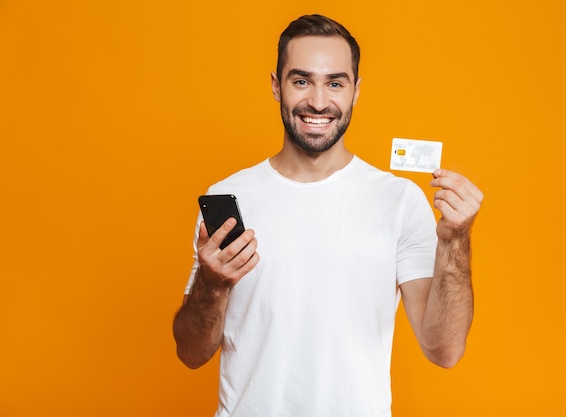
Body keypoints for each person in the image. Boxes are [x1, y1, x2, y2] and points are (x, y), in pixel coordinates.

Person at [173, 14, 483, 417]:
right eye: (301, 81)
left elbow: (444, 350)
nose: (318, 101)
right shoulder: (230, 198)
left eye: (335, 83)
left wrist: (456, 240)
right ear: (275, 86)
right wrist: (212, 285)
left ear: (356, 91)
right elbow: (190, 353)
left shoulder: (399, 200)